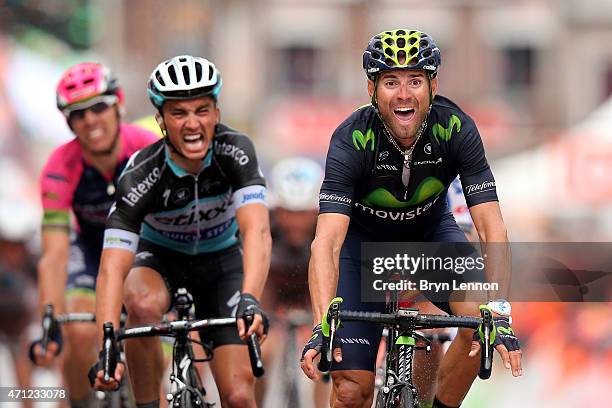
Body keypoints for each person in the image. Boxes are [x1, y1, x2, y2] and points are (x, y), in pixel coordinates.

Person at [300, 29, 522, 408]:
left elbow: (491, 226)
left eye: (415, 81)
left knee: (479, 326)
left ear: (433, 85)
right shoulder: (351, 139)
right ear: (372, 90)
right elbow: (327, 242)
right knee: (352, 390)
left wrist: (499, 311)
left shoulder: (456, 129)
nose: (404, 94)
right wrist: (324, 323)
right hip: (361, 248)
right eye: (391, 82)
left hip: (429, 238)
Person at [90, 55, 272, 408]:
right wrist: (107, 343)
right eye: (179, 113)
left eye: (202, 110)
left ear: (216, 113)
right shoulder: (142, 174)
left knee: (237, 396)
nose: (192, 124)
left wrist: (250, 296)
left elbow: (257, 232)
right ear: (160, 120)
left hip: (222, 264)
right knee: (142, 304)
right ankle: (147, 403)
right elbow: (112, 268)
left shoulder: (237, 151)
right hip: (160, 261)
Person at [29, 62, 159, 407]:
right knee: (81, 330)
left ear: (118, 104)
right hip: (90, 250)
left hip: (147, 248)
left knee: (153, 327)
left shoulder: (147, 148)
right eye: (78, 114)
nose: (90, 121)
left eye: (98, 107)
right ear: (68, 122)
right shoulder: (59, 166)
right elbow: (54, 255)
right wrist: (49, 318)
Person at [258, 157, 330, 407]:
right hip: (274, 292)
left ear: (317, 211)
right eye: (288, 212)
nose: (296, 222)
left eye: (303, 214)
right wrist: (266, 321)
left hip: (314, 295)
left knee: (325, 357)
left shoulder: (329, 225)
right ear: (275, 209)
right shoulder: (264, 225)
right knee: (258, 352)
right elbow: (258, 281)